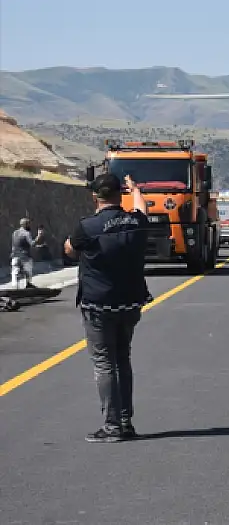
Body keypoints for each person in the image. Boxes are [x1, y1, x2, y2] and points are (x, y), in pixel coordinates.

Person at [63, 173, 151, 442]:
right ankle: (125, 422)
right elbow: (142, 207)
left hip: (98, 305)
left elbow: (69, 249)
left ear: (95, 197)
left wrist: (73, 243)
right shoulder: (136, 222)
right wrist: (135, 188)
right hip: (131, 303)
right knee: (123, 360)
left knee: (103, 364)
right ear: (120, 194)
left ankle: (112, 426)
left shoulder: (88, 227)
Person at [10, 217, 42, 289]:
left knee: (15, 272)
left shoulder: (15, 233)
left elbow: (17, 244)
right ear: (25, 225)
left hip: (15, 256)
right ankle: (28, 284)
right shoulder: (26, 233)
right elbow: (32, 244)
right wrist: (39, 236)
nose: (30, 226)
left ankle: (15, 288)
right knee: (28, 271)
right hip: (25, 257)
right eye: (29, 224)